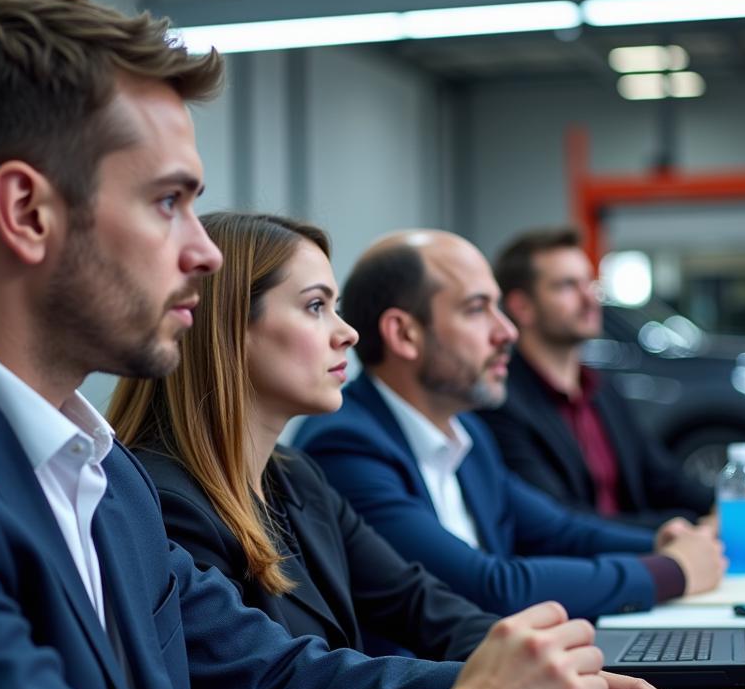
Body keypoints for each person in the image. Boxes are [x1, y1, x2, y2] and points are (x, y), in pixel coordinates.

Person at [0, 0, 687, 689]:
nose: (207, 252)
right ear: (26, 212)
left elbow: (271, 677)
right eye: (168, 203)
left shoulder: (98, 476)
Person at [109, 211, 498, 660]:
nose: (348, 334)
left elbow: (419, 604)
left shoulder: (297, 478)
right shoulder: (164, 502)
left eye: (338, 309)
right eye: (316, 307)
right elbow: (280, 681)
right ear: (229, 328)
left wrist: (538, 661)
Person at [296, 229, 726, 620]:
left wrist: (665, 540)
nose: (507, 332)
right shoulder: (346, 445)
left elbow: (560, 530)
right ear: (404, 335)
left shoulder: (468, 435)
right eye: (477, 309)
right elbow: (486, 587)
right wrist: (669, 571)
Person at [480, 225, 716, 528]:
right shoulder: (503, 402)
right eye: (567, 286)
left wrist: (728, 502)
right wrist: (685, 525)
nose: (589, 299)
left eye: (589, 283)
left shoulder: (599, 389)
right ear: (522, 307)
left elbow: (660, 476)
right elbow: (562, 524)